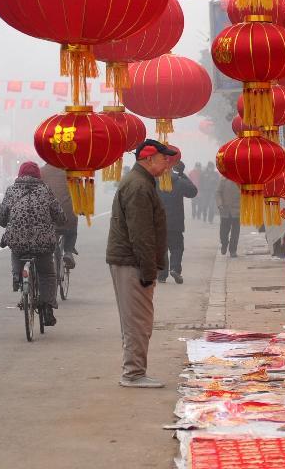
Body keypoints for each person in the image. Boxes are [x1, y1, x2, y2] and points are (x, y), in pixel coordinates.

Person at [106, 139, 176, 388]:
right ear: (148, 159)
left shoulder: (142, 183)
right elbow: (141, 234)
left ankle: (134, 370)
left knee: (136, 320)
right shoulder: (138, 186)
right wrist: (148, 270)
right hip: (132, 262)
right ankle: (133, 373)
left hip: (131, 261)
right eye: (163, 158)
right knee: (138, 321)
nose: (167, 163)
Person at [0, 162, 66, 326]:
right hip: (42, 243)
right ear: (38, 176)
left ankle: (17, 276)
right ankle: (47, 307)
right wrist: (61, 221)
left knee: (16, 248)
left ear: (20, 175)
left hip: (18, 242)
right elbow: (59, 215)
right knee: (48, 274)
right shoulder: (45, 190)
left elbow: (1, 218)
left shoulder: (12, 191)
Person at [158, 161, 198, 284]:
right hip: (175, 223)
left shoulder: (155, 182)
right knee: (177, 248)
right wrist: (183, 176)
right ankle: (175, 268)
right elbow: (193, 192)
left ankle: (162, 275)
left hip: (158, 223)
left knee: (161, 249)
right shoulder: (179, 182)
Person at [40, 163, 79, 269]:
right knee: (72, 231)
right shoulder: (71, 172)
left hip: (46, 217)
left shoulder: (41, 171)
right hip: (66, 217)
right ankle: (68, 252)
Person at [217, 177, 241, 258]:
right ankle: (224, 244)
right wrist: (220, 204)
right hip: (225, 210)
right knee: (223, 232)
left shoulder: (241, 180)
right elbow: (218, 192)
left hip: (237, 210)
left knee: (235, 233)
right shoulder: (223, 180)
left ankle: (233, 250)